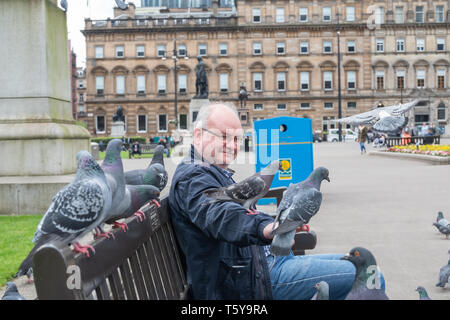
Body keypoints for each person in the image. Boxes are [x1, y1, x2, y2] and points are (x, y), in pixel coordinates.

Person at [168, 102, 385, 300]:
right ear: (197, 136)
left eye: (236, 139)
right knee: (371, 278)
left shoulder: (210, 171)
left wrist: (279, 221)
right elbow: (220, 215)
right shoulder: (193, 178)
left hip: (262, 261)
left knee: (367, 269)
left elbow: (241, 210)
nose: (232, 145)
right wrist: (266, 227)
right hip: (251, 277)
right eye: (223, 136)